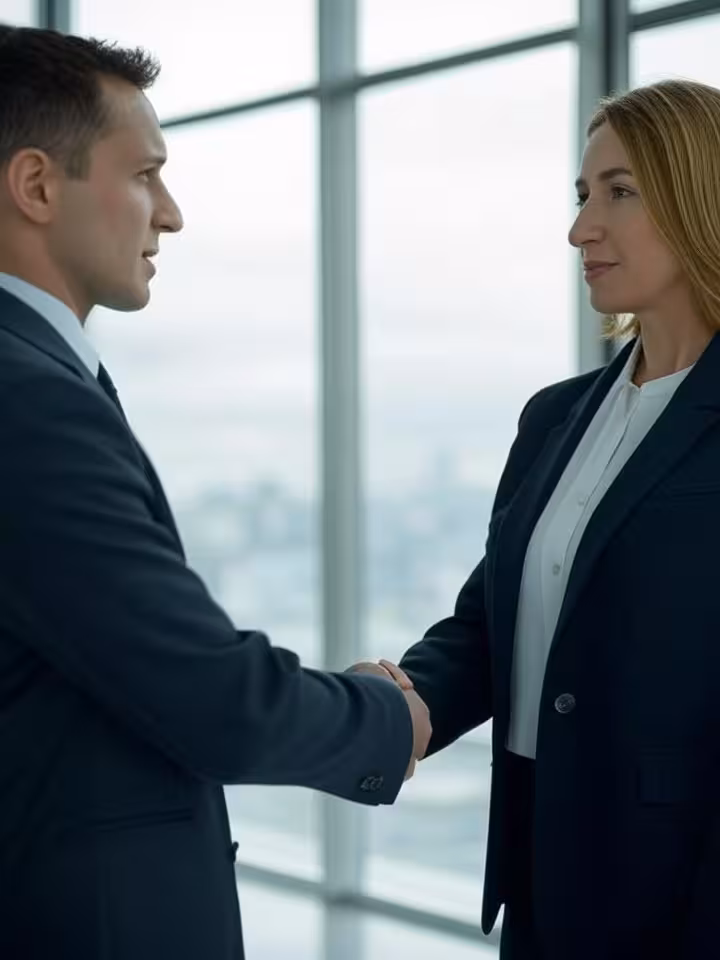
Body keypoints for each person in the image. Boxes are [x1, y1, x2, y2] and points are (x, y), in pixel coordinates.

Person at [0, 25, 432, 960]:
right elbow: (205, 695)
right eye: (145, 173)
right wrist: (385, 718)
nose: (172, 214)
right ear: (36, 186)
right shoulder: (25, 397)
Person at [354, 78, 720, 958]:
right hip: (544, 875)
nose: (581, 227)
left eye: (620, 192)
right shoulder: (555, 415)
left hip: (680, 896)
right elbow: (491, 628)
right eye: (581, 195)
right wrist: (386, 708)